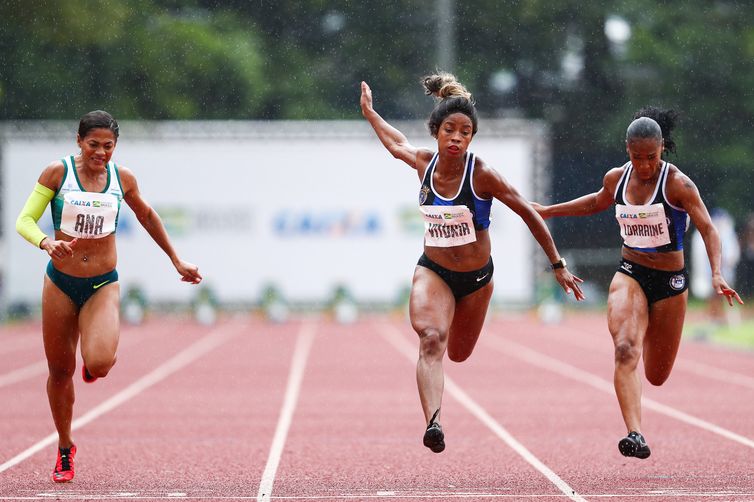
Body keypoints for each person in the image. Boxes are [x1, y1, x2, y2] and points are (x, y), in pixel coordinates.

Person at [360, 74, 584, 453]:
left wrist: (557, 263)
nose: (457, 138)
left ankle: (439, 401)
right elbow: (395, 142)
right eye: (450, 130)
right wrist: (369, 113)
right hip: (433, 270)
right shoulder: (424, 163)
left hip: (477, 279)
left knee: (460, 353)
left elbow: (529, 214)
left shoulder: (482, 175)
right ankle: (434, 422)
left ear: (471, 138)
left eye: (465, 132)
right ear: (436, 132)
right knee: (431, 340)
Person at [532, 107, 743, 459]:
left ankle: (644, 337)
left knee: (657, 375)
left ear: (662, 149)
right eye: (637, 157)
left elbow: (707, 227)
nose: (644, 165)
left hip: (670, 281)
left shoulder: (678, 184)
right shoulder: (617, 178)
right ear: (627, 150)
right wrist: (549, 210)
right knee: (625, 348)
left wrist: (717, 271)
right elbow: (595, 203)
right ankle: (635, 433)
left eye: (651, 157)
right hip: (630, 272)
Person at [15, 110, 202, 482]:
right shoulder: (58, 173)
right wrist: (46, 242)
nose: (100, 153)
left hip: (102, 283)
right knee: (59, 371)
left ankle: (92, 360)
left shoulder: (122, 178)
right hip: (60, 283)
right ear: (79, 141)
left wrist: (176, 260)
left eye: (108, 146)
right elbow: (24, 220)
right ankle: (65, 447)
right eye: (93, 145)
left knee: (99, 364)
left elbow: (148, 216)